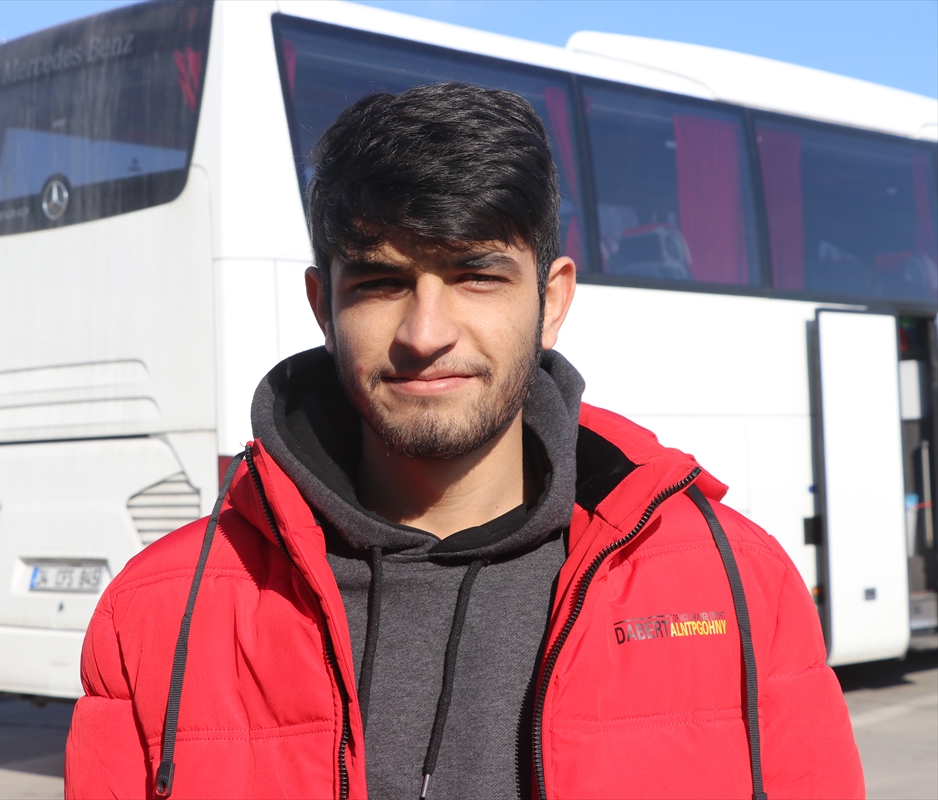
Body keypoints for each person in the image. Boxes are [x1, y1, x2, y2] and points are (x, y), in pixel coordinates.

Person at [65, 82, 863, 799]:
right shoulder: (159, 614)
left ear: (552, 301)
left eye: (477, 275)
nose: (425, 333)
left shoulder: (739, 585)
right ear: (322, 307)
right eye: (381, 282)